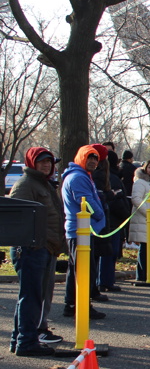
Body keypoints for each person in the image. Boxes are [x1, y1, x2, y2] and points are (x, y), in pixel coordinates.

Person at [9, 147, 66, 355]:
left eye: (49, 162)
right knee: (31, 297)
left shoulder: (44, 184)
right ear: (32, 163)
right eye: (42, 161)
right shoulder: (26, 184)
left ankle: (20, 339)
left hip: (44, 247)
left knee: (31, 296)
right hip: (31, 249)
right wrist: (33, 244)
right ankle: (26, 342)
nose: (47, 165)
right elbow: (17, 217)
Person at [61, 145, 107, 320]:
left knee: (77, 270)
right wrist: (101, 214)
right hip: (79, 231)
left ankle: (73, 305)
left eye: (95, 159)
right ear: (81, 158)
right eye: (89, 158)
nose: (93, 162)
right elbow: (86, 202)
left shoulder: (82, 175)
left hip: (81, 230)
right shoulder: (78, 177)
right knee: (84, 271)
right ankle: (80, 305)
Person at [93, 157, 129, 293]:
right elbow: (116, 201)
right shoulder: (109, 178)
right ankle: (105, 281)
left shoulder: (101, 177)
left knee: (105, 252)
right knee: (108, 252)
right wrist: (125, 213)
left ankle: (102, 281)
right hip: (111, 220)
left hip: (107, 220)